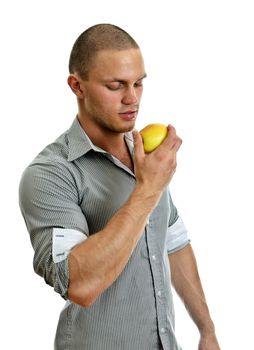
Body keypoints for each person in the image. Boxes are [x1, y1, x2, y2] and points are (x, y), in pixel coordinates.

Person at [19, 24, 220, 350]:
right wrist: (147, 190)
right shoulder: (51, 173)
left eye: (138, 83)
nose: (132, 99)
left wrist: (206, 331)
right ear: (77, 86)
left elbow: (173, 242)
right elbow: (78, 286)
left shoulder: (147, 157)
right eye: (116, 86)